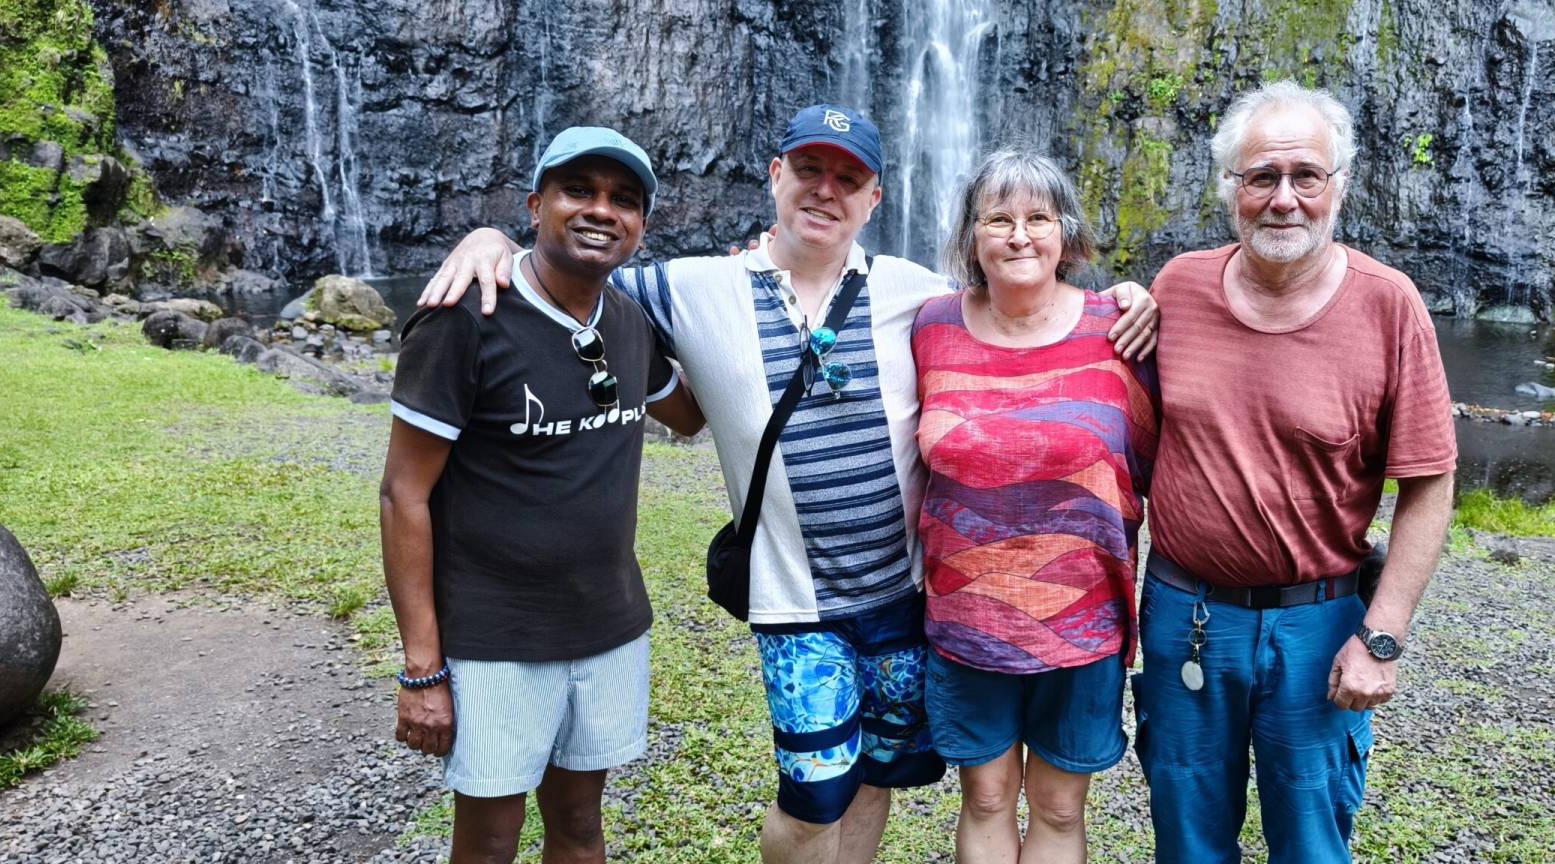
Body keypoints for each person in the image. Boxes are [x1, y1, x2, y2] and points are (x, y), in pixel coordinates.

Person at [415, 105, 1160, 864]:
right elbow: (577, 269)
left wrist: (1130, 298)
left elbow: (1021, 296)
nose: (825, 191)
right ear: (775, 177)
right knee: (814, 793)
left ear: (875, 200)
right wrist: (495, 241)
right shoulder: (694, 287)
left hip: (909, 597)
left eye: (849, 178)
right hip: (795, 602)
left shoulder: (920, 296)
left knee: (877, 776)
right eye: (809, 170)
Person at [1134, 81, 1458, 863]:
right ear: (1230, 190)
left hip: (1318, 622)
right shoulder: (1177, 287)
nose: (1284, 199)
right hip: (1187, 616)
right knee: (1186, 836)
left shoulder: (1390, 305)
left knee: (1312, 840)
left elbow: (1431, 484)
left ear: (1338, 185)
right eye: (1261, 177)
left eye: (1305, 176)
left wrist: (1381, 638)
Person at [378, 126, 705, 864]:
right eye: (578, 191)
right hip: (497, 636)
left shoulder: (626, 321)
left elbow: (689, 414)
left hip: (608, 624)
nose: (601, 210)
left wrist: (754, 293)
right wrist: (422, 668)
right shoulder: (463, 317)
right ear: (535, 205)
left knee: (582, 824)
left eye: (624, 200)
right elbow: (403, 496)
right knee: (490, 840)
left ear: (642, 227)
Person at [912, 150, 1158, 864]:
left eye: (1038, 218)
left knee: (1055, 805)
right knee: (985, 797)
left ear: (1066, 235)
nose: (1019, 235)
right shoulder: (929, 327)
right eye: (999, 219)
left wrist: (1151, 294)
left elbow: (1169, 451)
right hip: (967, 617)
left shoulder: (1121, 329)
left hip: (1084, 621)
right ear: (971, 237)